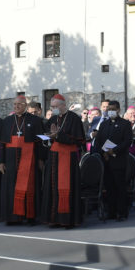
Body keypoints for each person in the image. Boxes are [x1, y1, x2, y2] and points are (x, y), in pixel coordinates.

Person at [0, 94, 45, 224]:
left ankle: (30, 216)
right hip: (10, 160)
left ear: (25, 106)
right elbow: (1, 143)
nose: (16, 106)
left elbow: (40, 142)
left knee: (29, 187)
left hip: (29, 159)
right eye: (14, 104)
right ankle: (13, 218)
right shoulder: (7, 121)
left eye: (19, 104)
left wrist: (41, 159)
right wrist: (1, 162)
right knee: (11, 188)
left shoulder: (35, 120)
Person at [42, 94, 86, 227]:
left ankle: (67, 220)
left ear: (63, 105)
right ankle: (54, 219)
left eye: (55, 106)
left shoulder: (74, 119)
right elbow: (47, 134)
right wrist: (49, 137)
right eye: (52, 107)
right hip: (54, 158)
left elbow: (78, 141)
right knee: (52, 187)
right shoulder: (53, 119)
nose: (54, 109)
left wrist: (58, 135)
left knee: (68, 187)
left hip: (68, 157)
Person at [92, 99, 133, 220]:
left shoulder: (125, 124)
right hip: (106, 161)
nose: (110, 112)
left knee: (120, 187)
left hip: (119, 160)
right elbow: (98, 141)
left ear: (118, 110)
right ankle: (111, 211)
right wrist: (103, 152)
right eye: (109, 110)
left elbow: (127, 141)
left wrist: (113, 151)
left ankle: (122, 212)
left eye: (113, 110)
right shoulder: (104, 124)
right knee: (109, 187)